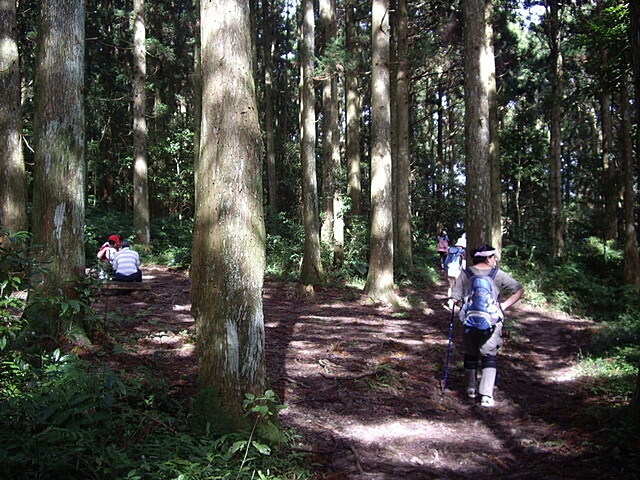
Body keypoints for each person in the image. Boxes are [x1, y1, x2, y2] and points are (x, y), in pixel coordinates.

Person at [450, 244, 524, 407]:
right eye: (493, 257)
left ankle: (470, 388)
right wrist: (503, 306)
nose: (494, 260)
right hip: (492, 321)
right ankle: (486, 395)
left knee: (470, 354)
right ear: (488, 258)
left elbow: (455, 298)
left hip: (469, 320)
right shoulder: (497, 274)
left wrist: (464, 303)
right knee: (489, 356)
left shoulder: (466, 273)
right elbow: (519, 289)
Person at [444, 239, 466, 310]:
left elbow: (446, 262)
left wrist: (446, 271)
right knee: (460, 287)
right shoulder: (463, 252)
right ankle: (459, 302)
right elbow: (463, 264)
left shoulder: (450, 250)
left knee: (451, 286)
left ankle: (450, 302)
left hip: (450, 271)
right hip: (458, 272)